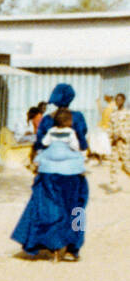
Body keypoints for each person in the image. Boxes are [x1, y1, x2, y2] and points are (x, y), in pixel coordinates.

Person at [12, 103, 87, 262]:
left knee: (45, 207)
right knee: (77, 209)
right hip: (72, 175)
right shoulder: (73, 133)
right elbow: (78, 149)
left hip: (48, 174)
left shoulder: (50, 132)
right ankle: (73, 247)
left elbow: (42, 147)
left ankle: (46, 244)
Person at [34, 83, 87, 152]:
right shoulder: (78, 116)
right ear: (71, 97)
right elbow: (82, 136)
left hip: (51, 155)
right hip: (72, 155)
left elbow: (40, 141)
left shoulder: (47, 118)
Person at [108, 93, 130, 178]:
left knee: (127, 165)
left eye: (120, 100)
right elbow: (110, 127)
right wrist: (111, 136)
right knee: (113, 165)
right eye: (116, 100)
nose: (118, 101)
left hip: (125, 143)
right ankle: (113, 185)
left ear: (124, 101)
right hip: (115, 143)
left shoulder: (128, 113)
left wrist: (122, 135)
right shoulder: (113, 114)